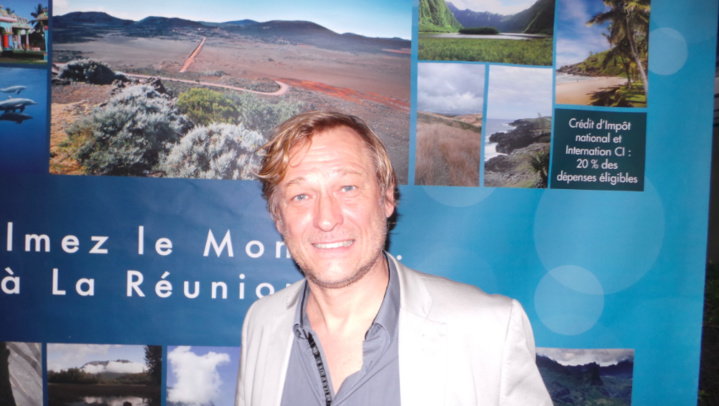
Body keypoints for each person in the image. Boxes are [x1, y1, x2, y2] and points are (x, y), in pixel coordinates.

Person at [236, 111, 552, 405]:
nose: (326, 219)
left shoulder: (490, 330)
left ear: (387, 197)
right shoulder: (261, 322)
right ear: (278, 217)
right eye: (301, 196)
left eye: (347, 187)